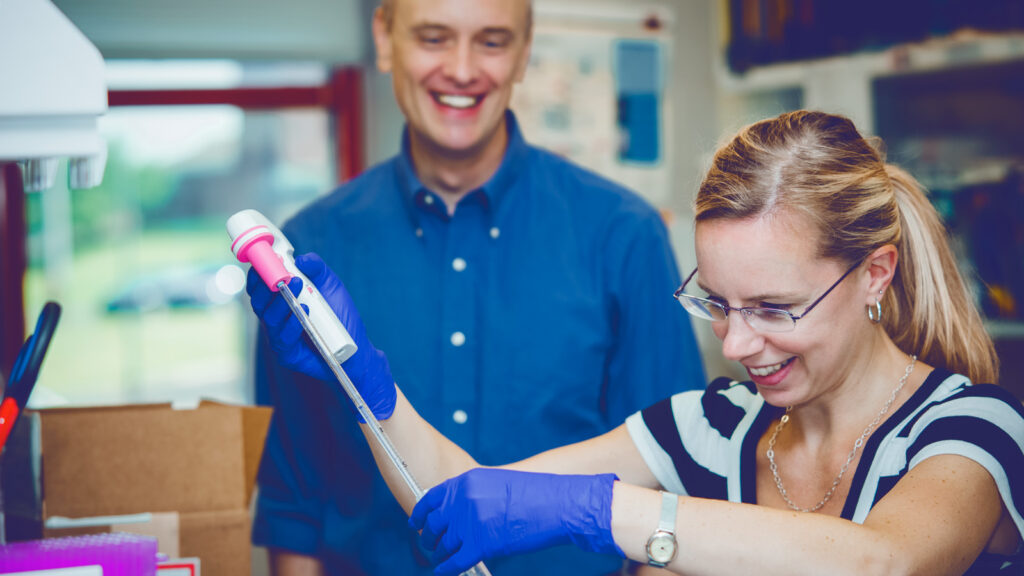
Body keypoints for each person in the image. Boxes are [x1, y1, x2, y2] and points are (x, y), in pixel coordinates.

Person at [250, 109, 1024, 575]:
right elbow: (461, 491)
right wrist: (361, 379)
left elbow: (885, 561)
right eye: (716, 304)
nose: (737, 343)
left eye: (774, 308)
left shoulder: (971, 430)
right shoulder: (715, 427)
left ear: (875, 273)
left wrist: (605, 511)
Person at [248, 0, 706, 573]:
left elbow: (675, 483)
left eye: (491, 41)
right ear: (384, 39)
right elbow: (293, 508)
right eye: (434, 38)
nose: (462, 70)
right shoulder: (310, 251)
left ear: (524, 51)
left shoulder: (624, 235)